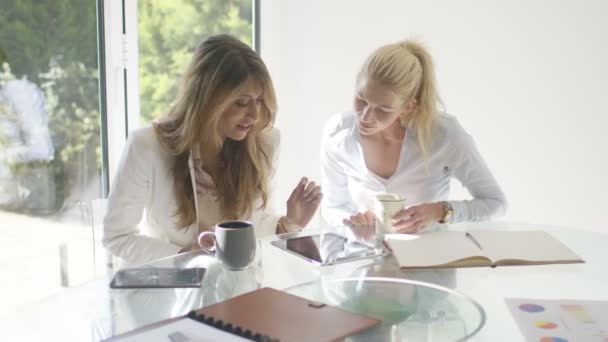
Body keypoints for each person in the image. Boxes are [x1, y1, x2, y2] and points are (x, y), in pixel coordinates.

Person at [103, 34, 322, 266]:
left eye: (259, 101)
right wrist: (185, 256)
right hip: (174, 291)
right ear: (207, 99)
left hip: (239, 288)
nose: (254, 116)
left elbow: (256, 224)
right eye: (241, 102)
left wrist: (290, 223)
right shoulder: (147, 145)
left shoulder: (264, 142)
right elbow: (117, 237)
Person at [320, 39, 506, 235]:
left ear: (409, 106)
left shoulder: (444, 135)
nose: (365, 116)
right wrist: (352, 224)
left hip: (430, 260)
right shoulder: (338, 133)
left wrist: (441, 211)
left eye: (383, 109)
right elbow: (332, 207)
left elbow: (496, 203)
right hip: (363, 259)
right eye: (361, 100)